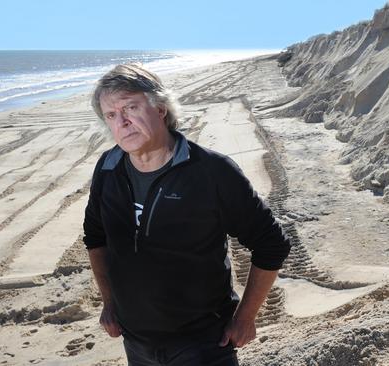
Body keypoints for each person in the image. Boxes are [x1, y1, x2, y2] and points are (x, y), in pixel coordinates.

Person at [83, 63, 291, 365]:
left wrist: (245, 317)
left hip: (202, 344)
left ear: (161, 108)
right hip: (136, 342)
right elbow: (95, 236)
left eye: (131, 107)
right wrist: (109, 302)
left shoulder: (211, 171)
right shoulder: (108, 167)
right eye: (112, 115)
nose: (122, 122)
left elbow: (272, 244)